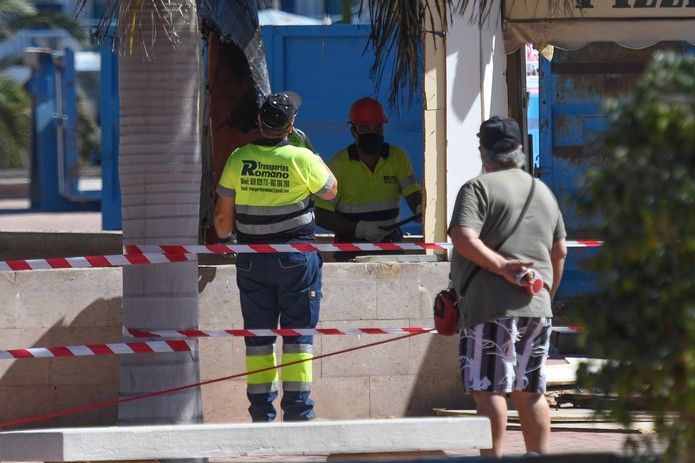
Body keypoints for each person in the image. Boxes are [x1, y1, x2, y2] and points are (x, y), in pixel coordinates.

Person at [214, 91, 338, 422]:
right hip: (296, 261)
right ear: (291, 126)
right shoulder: (303, 158)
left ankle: (261, 417)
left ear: (259, 122)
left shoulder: (238, 158)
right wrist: (309, 150)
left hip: (252, 260)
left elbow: (223, 224)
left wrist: (234, 237)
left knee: (258, 340)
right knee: (297, 338)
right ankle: (298, 415)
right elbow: (331, 190)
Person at [448, 116, 567, 457]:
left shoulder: (478, 188)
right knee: (530, 393)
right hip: (536, 307)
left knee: (488, 391)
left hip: (489, 308)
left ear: (483, 150)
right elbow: (559, 253)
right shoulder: (542, 191)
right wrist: (547, 296)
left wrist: (501, 267)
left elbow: (462, 237)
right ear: (520, 149)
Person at [315, 97, 422, 246]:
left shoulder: (398, 158)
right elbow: (321, 214)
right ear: (353, 132)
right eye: (365, 127)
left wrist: (422, 209)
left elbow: (414, 197)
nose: (373, 132)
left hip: (390, 245)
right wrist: (360, 229)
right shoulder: (338, 164)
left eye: (378, 127)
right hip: (349, 248)